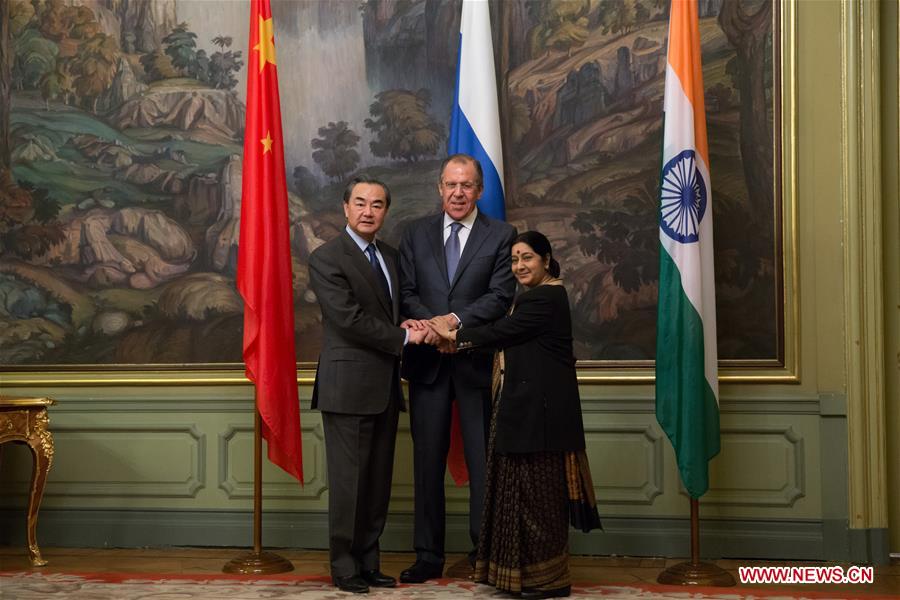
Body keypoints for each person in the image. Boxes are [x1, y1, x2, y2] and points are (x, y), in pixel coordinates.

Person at [429, 231, 601, 599]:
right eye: (514, 260)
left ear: (546, 259)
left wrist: (453, 334)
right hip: (527, 414)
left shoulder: (547, 297)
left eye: (528, 258)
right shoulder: (535, 296)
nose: (520, 266)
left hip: (540, 418)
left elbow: (502, 331)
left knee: (538, 498)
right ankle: (524, 576)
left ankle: (547, 580)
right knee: (523, 495)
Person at [398, 154, 517, 583]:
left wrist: (453, 324)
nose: (458, 193)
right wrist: (433, 328)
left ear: (480, 190)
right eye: (450, 185)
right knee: (426, 463)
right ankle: (428, 555)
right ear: (439, 188)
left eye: (466, 185)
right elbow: (407, 293)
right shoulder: (414, 234)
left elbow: (500, 295)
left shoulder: (501, 235)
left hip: (474, 364)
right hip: (428, 363)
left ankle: (482, 554)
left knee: (483, 463)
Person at [309, 176, 427, 594]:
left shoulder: (392, 257)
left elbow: (391, 312)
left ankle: (369, 562)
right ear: (345, 208)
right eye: (360, 203)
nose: (367, 211)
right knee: (349, 484)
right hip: (348, 387)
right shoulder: (327, 257)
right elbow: (348, 320)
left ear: (385, 212)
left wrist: (409, 323)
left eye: (377, 205)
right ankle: (344, 568)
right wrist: (404, 337)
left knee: (376, 482)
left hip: (386, 386)